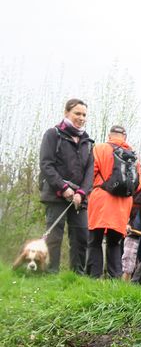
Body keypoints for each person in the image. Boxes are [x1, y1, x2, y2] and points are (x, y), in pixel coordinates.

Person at [38, 98, 94, 273]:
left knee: (81, 236)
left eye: (84, 114)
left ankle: (77, 276)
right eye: (77, 113)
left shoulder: (87, 141)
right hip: (56, 194)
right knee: (54, 237)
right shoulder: (52, 134)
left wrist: (81, 192)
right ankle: (50, 273)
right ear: (66, 113)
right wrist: (63, 188)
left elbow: (90, 171)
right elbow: (46, 164)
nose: (81, 117)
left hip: (79, 198)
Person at [87, 125, 141, 279]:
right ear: (124, 137)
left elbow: (92, 173)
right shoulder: (132, 154)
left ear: (110, 135)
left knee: (95, 241)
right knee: (115, 243)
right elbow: (139, 184)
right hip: (122, 205)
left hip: (101, 200)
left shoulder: (100, 148)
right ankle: (115, 279)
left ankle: (94, 278)